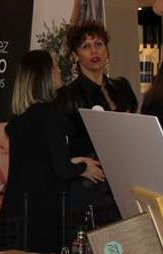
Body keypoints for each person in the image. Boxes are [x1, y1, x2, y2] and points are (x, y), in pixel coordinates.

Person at [1, 50, 102, 252]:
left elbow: (40, 162)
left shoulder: (22, 117)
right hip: (40, 216)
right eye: (55, 66)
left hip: (16, 212)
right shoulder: (48, 117)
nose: (59, 71)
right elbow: (61, 170)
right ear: (44, 76)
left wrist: (73, 162)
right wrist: (83, 167)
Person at [56, 20, 136, 224]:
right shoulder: (67, 96)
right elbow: (60, 146)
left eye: (99, 44)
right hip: (90, 184)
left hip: (122, 180)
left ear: (107, 50)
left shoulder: (122, 87)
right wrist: (79, 165)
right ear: (75, 55)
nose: (94, 51)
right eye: (85, 46)